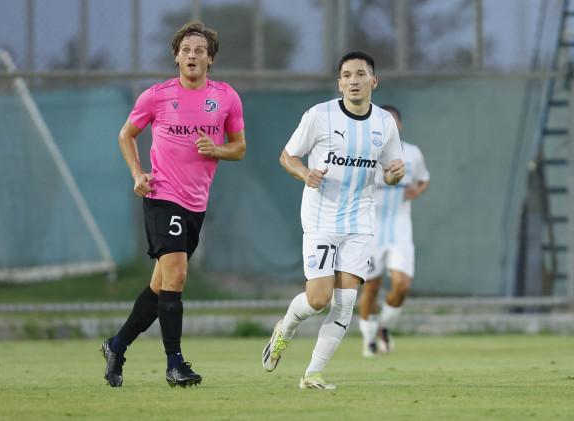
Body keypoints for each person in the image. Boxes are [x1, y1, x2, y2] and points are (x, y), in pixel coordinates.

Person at [101, 21, 246, 388]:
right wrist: (137, 173)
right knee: (177, 275)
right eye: (186, 50)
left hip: (197, 203)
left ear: (210, 59)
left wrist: (218, 149)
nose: (192, 55)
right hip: (162, 195)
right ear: (176, 58)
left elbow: (239, 147)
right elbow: (126, 135)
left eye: (199, 50)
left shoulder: (226, 97)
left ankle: (117, 346)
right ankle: (174, 363)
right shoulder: (156, 96)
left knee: (161, 286)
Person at [262, 51, 405, 389]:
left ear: (373, 81)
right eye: (347, 75)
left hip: (360, 221)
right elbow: (287, 156)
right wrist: (304, 174)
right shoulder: (320, 115)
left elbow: (389, 173)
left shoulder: (384, 123)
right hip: (321, 219)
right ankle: (285, 329)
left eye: (360, 74)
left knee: (346, 302)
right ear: (339, 83)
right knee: (318, 299)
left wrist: (395, 175)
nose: (354, 81)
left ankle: (313, 374)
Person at [357, 105, 430, 357]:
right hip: (370, 230)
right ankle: (369, 340)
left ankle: (384, 326)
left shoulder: (412, 153)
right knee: (371, 287)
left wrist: (417, 190)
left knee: (402, 285)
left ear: (399, 125)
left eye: (393, 120)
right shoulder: (363, 152)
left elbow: (424, 179)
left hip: (400, 229)